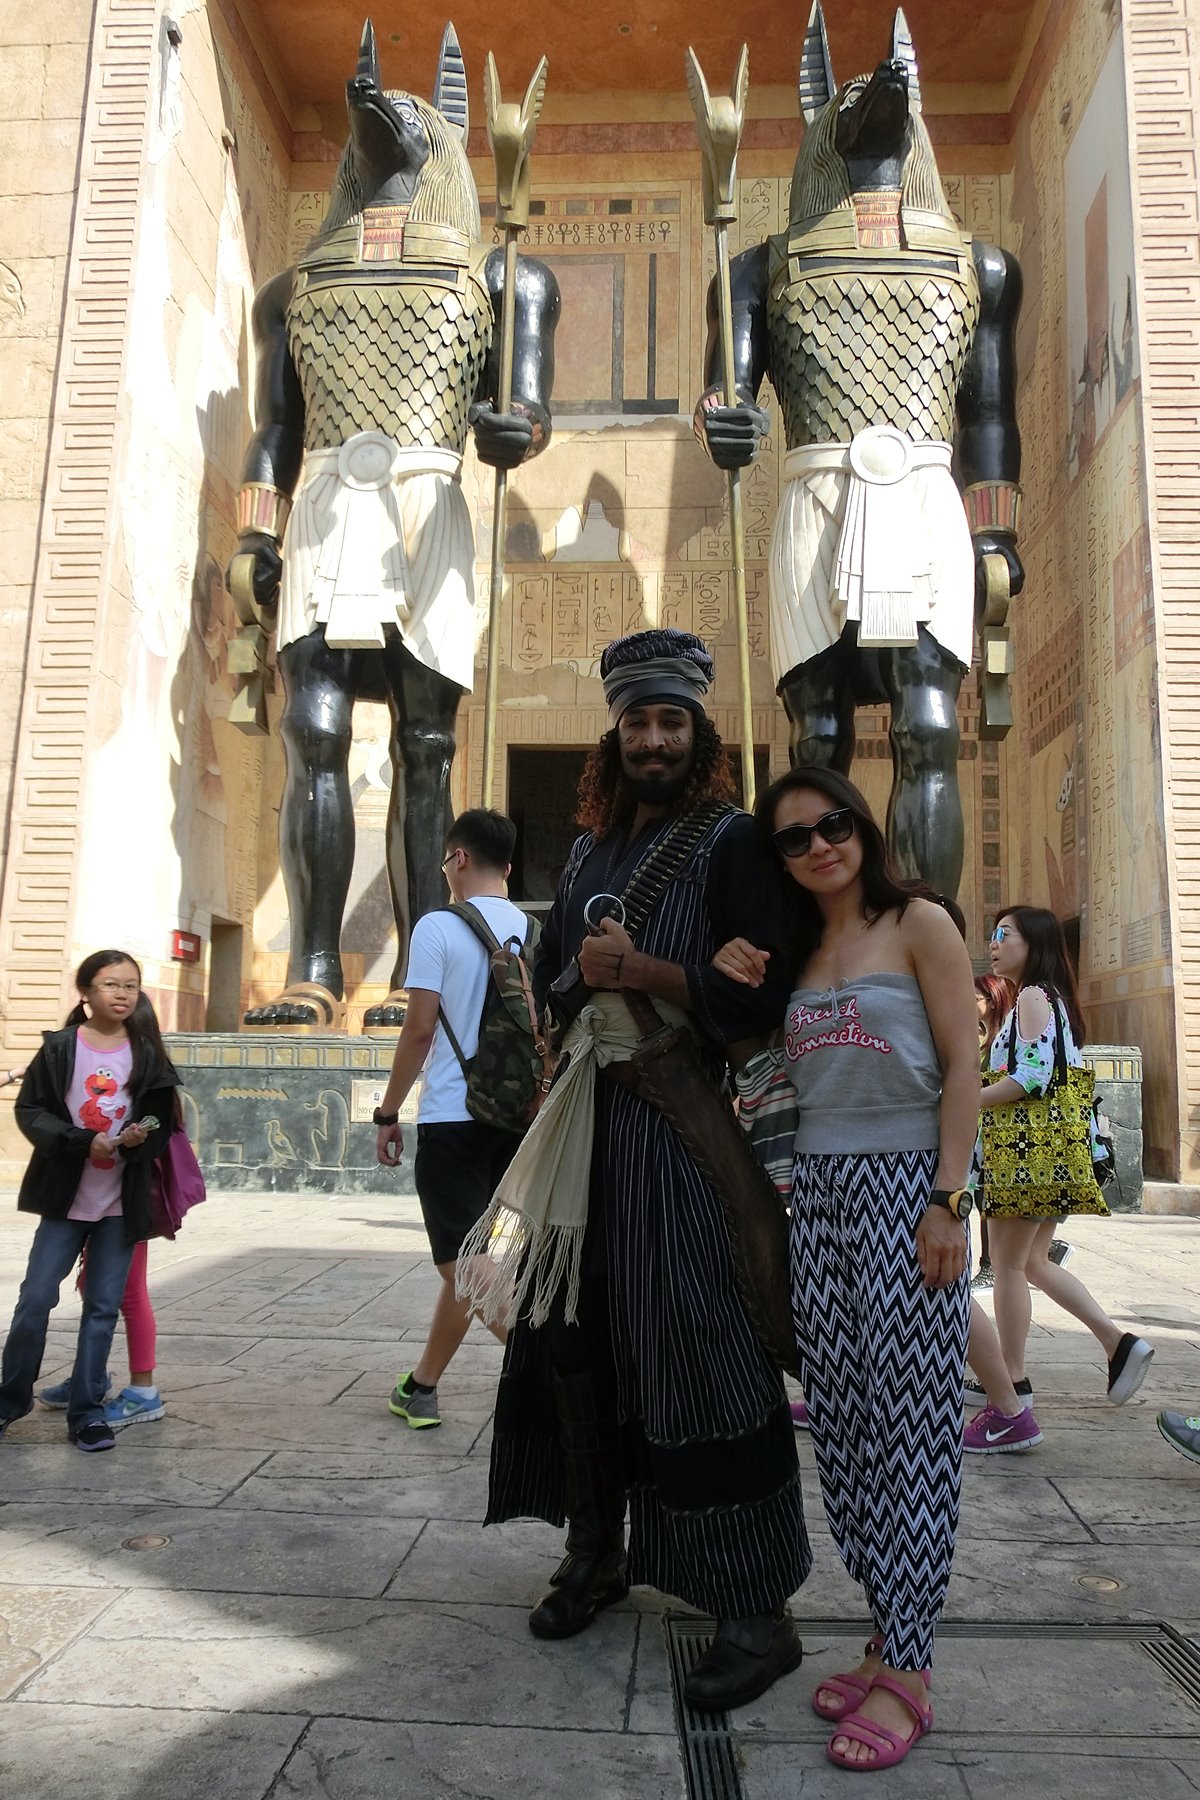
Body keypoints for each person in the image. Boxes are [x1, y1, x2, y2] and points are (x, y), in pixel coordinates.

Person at [470, 628, 810, 1714]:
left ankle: (756, 1612)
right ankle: (595, 1551)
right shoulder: (583, 855)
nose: (653, 739)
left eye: (671, 721)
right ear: (612, 734)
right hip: (585, 1122)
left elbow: (763, 998)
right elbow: (558, 982)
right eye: (636, 722)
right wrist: (589, 974)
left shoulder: (733, 842)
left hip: (675, 1126)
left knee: (699, 1346)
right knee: (572, 1342)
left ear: (699, 732)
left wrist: (652, 970)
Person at [713, 766, 979, 1770]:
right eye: (795, 838)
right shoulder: (797, 951)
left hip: (910, 1191)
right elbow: (746, 1048)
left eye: (833, 824)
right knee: (845, 1428)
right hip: (815, 1199)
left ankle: (911, 1669)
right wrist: (728, 961)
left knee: (913, 1431)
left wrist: (949, 1200)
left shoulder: (919, 923)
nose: (820, 846)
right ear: (778, 859)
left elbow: (963, 1064)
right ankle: (884, 1632)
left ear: (861, 825)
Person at [964, 906, 1153, 1454]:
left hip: (1027, 1155)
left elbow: (1030, 1076)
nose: (994, 944)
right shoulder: (1052, 999)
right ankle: (1117, 1343)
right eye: (994, 935)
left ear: (1035, 944)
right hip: (1054, 1153)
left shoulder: (1030, 997)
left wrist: (966, 1099)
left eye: (1005, 935)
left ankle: (1013, 1379)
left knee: (1008, 1267)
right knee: (1033, 1263)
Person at [374, 809, 525, 1428]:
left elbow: (418, 1030)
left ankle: (558, 1374)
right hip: (518, 1122)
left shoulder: (437, 926)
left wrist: (388, 1112)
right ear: (507, 867)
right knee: (479, 1258)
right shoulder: (533, 931)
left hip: (453, 1119)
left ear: (458, 858)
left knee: (461, 1262)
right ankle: (421, 1386)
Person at [0, 951, 178, 1452]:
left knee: (102, 1307)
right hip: (64, 1199)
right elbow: (31, 1111)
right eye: (110, 984)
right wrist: (82, 1141)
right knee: (36, 1298)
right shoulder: (60, 1048)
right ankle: (10, 1401)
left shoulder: (148, 1053)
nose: (122, 994)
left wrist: (141, 1137)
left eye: (131, 985)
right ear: (85, 992)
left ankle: (86, 1412)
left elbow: (162, 1120)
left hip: (120, 1204)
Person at [37, 1240, 165, 1427]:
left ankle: (143, 1391)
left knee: (130, 1290)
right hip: (99, 1221)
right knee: (89, 1282)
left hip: (126, 1222)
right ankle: (92, 1377)